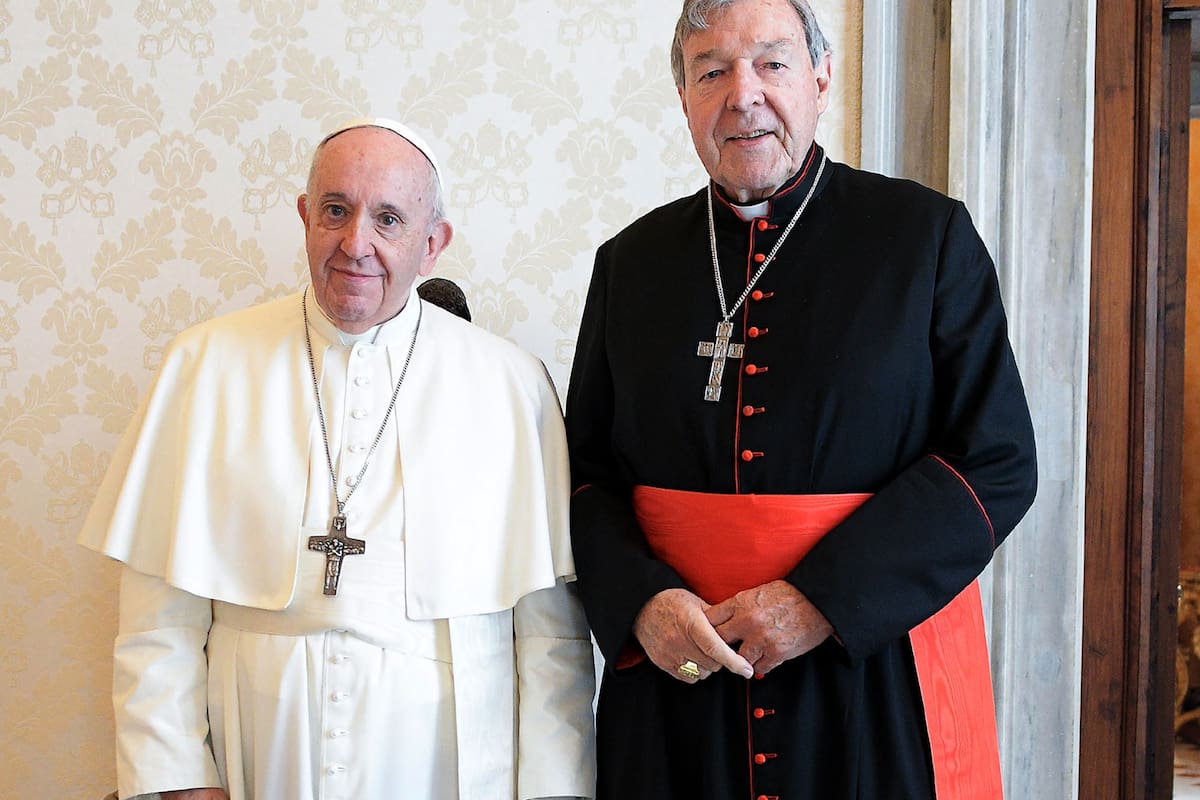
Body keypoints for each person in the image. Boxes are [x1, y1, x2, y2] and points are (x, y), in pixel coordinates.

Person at [565, 1, 1037, 798]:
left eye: (772, 63)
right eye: (711, 70)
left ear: (821, 75)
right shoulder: (630, 263)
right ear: (684, 98)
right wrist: (640, 603)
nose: (742, 94)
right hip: (682, 679)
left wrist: (822, 600)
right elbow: (582, 475)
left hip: (867, 673)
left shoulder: (925, 239)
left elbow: (996, 460)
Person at [80, 117, 596, 800]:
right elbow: (156, 618)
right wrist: (174, 777)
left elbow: (550, 640)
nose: (357, 244)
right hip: (253, 750)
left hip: (452, 765)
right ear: (304, 217)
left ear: (432, 243)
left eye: (389, 219)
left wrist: (555, 792)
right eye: (336, 211)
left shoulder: (510, 385)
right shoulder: (205, 364)